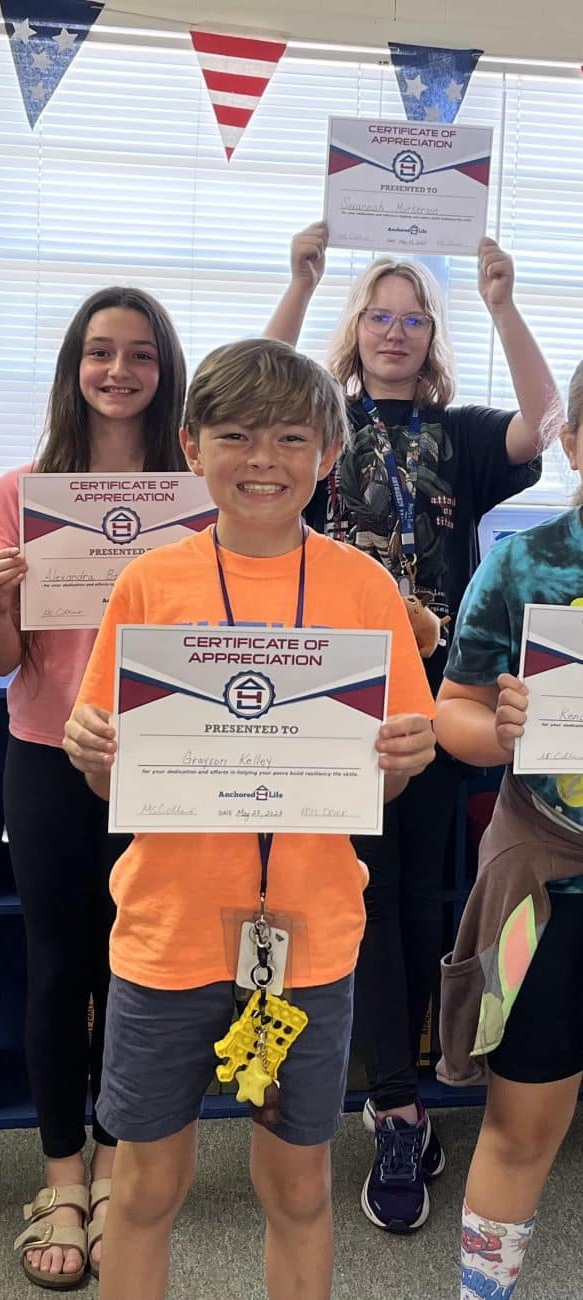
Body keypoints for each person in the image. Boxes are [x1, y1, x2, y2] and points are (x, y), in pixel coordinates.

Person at [62, 337, 437, 1300]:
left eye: (291, 438)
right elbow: (112, 781)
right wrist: (96, 755)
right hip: (168, 931)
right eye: (235, 435)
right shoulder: (151, 584)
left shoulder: (364, 590)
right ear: (192, 446)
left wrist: (401, 761)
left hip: (309, 936)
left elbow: (383, 784)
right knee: (145, 1188)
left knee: (299, 1188)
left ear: (328, 453)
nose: (263, 459)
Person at [265, 223, 559, 1232]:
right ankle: (393, 1103)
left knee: (421, 891)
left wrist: (501, 301)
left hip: (431, 696)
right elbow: (248, 402)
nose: (394, 332)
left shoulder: (460, 434)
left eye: (413, 318)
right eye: (378, 316)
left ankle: (405, 1092)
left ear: (431, 336)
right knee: (365, 892)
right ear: (356, 328)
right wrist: (300, 284)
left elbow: (543, 422)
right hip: (322, 693)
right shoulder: (318, 423)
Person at [0, 287, 187, 1289]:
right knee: (58, 965)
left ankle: (121, 1169)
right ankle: (63, 1175)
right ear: (74, 366)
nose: (118, 370)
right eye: (100, 351)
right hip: (50, 752)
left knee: (142, 970)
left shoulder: (195, 493)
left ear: (162, 370)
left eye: (139, 353)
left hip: (168, 759)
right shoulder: (21, 491)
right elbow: (1, 658)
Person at [433, 360, 583, 1300]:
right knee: (522, 1125)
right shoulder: (524, 564)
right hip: (549, 889)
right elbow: (453, 709)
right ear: (574, 440)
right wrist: (503, 731)